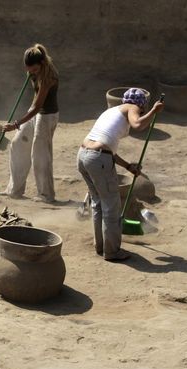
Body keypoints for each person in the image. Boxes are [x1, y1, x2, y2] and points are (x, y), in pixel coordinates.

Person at [77, 88, 164, 261]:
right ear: (140, 105)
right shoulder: (132, 107)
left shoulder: (110, 112)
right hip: (97, 158)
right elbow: (138, 124)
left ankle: (100, 246)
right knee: (111, 206)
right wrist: (154, 111)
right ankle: (112, 252)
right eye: (142, 109)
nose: (140, 111)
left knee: (98, 203)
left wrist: (128, 167)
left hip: (82, 156)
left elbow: (107, 149)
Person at [0, 43, 60, 203]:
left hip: (47, 116)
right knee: (17, 143)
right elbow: (35, 106)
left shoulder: (49, 77)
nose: (30, 73)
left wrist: (15, 124)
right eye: (28, 70)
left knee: (40, 155)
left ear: (41, 64)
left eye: (33, 70)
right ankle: (15, 189)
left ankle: (46, 195)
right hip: (36, 112)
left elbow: (37, 108)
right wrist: (32, 75)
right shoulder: (37, 70)